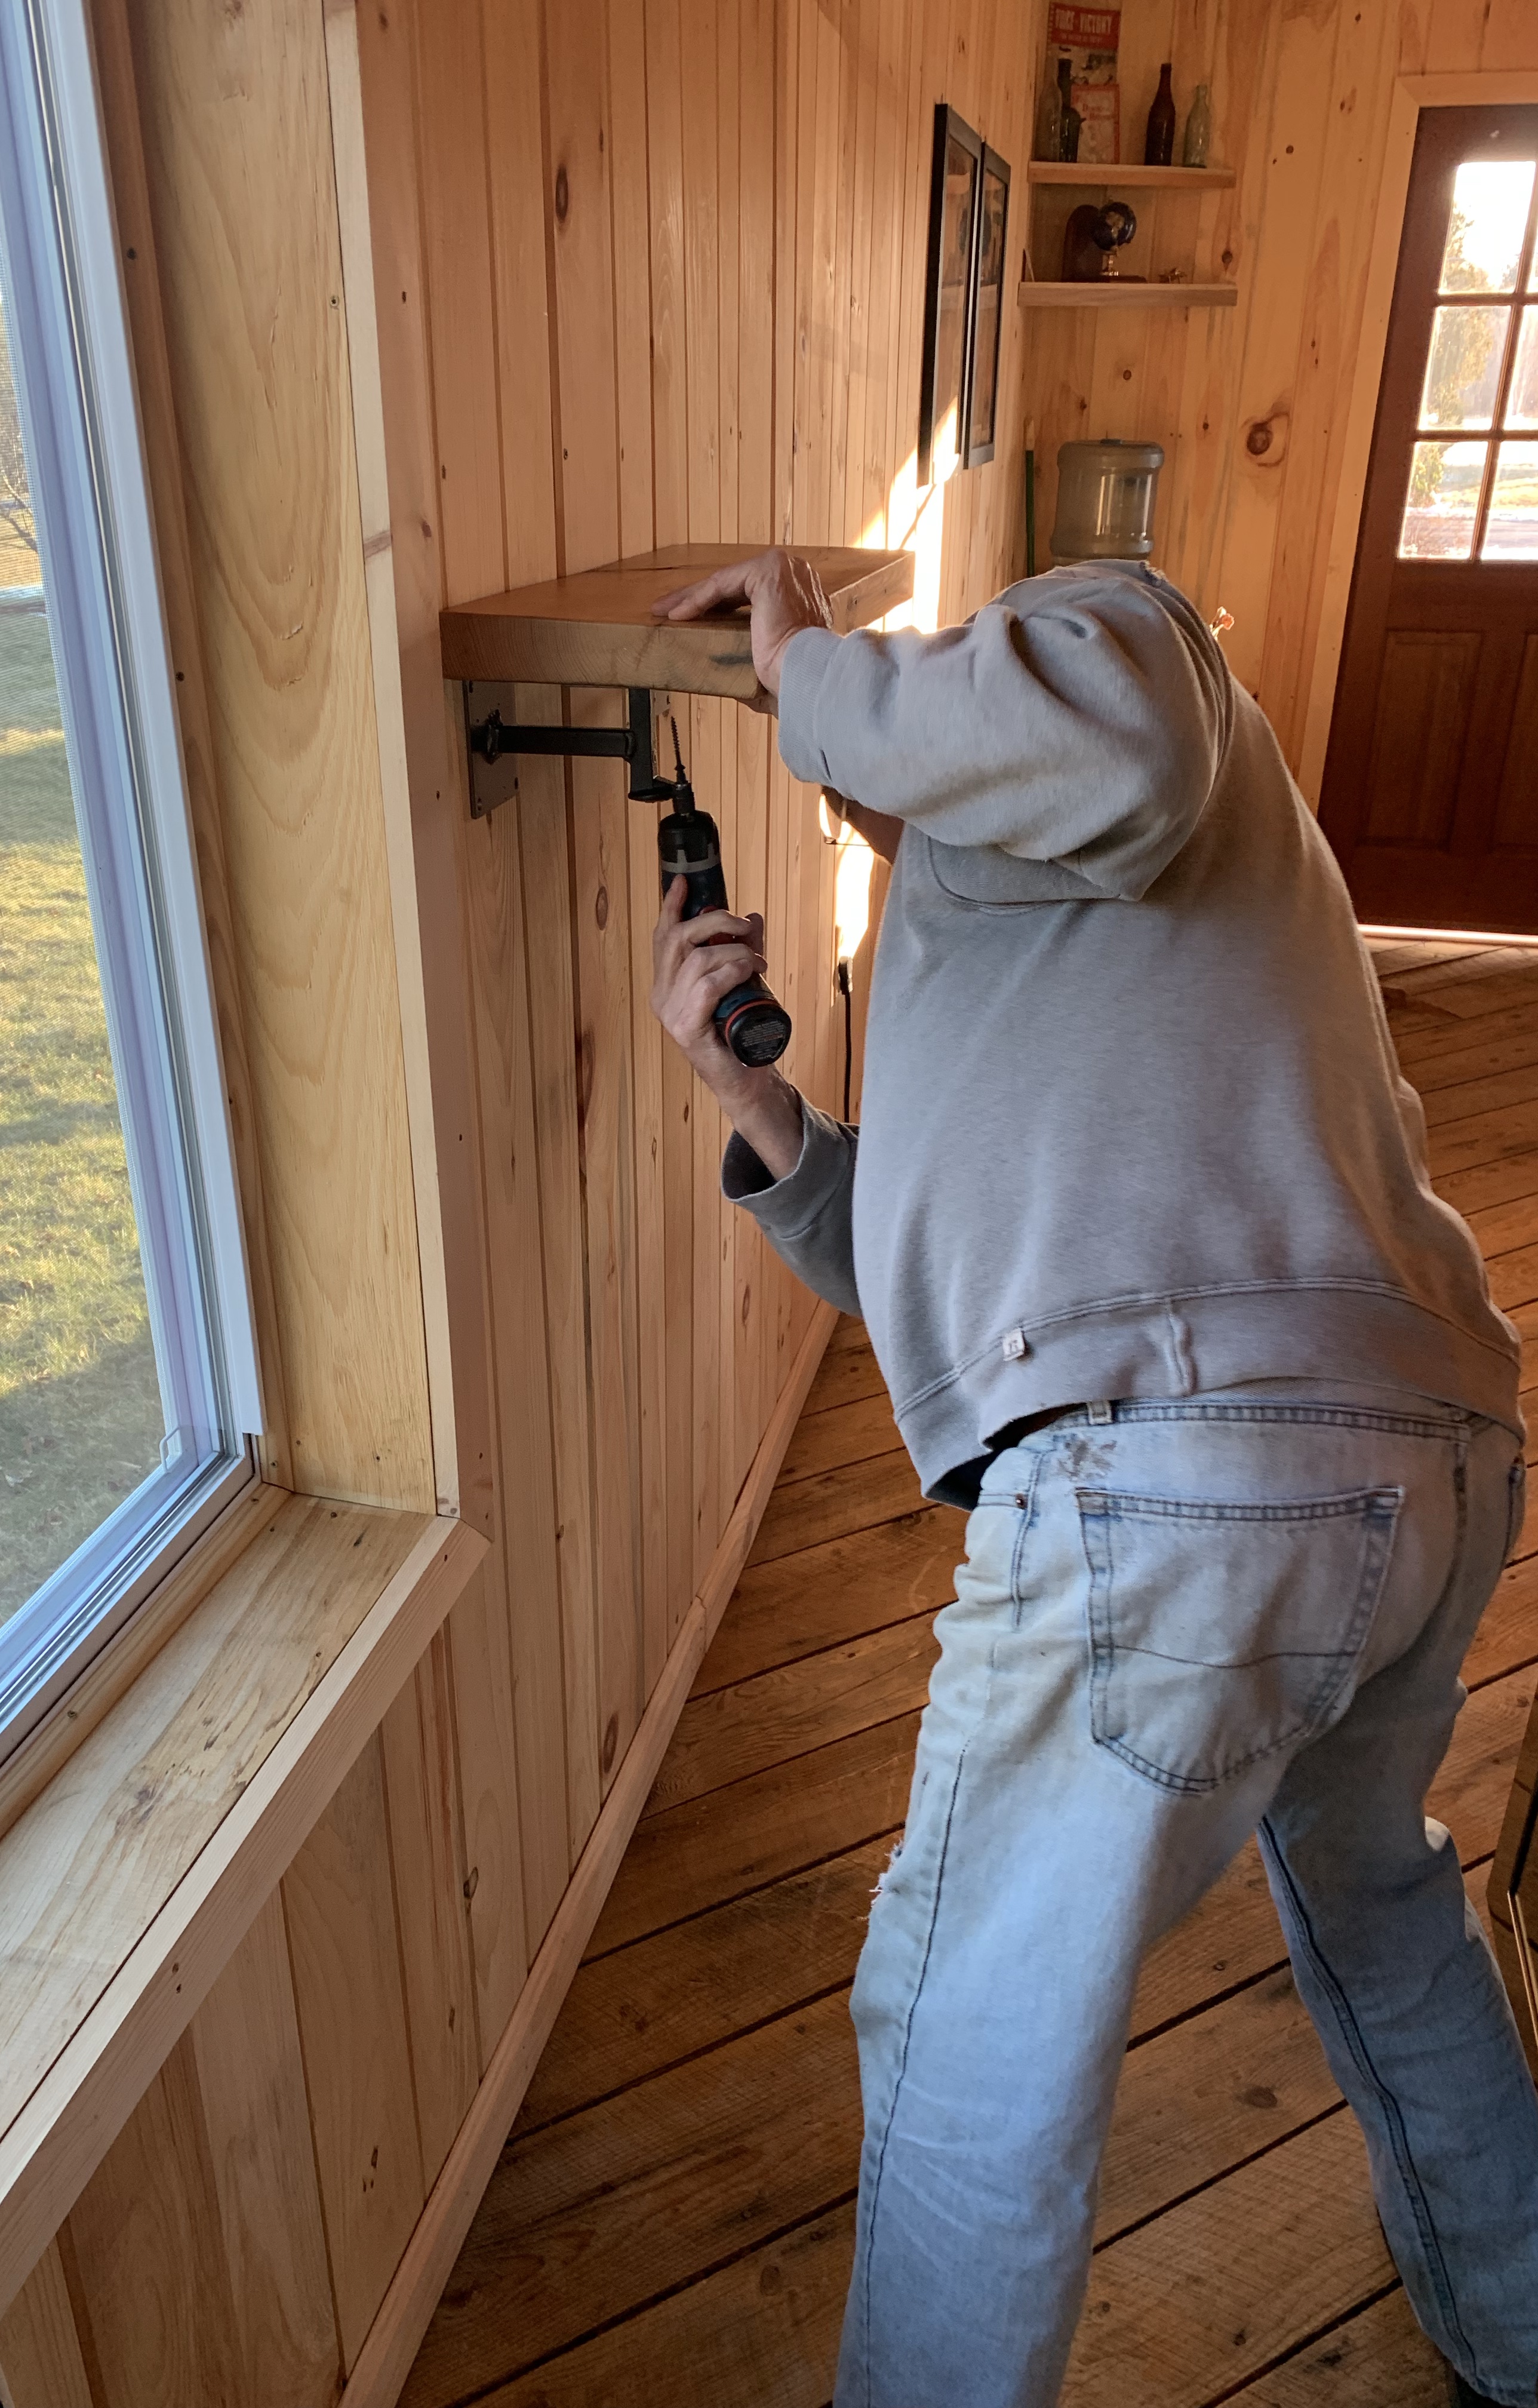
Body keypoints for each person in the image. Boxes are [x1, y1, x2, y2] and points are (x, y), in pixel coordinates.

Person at [645, 548, 1538, 2408]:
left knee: (975, 2034)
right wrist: (764, 1119)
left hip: (1192, 1481)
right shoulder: (1058, 928)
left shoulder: (1123, 635)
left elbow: (1114, 729)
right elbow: (975, 1298)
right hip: (1422, 1463)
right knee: (1381, 1909)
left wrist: (805, 667)